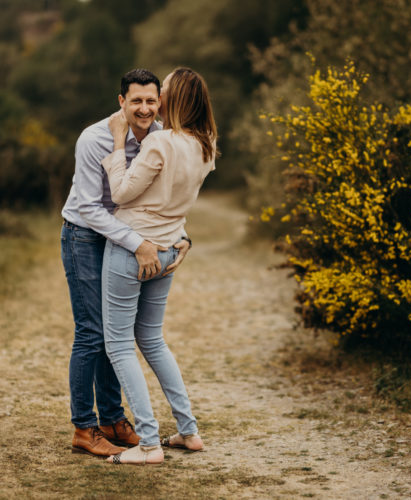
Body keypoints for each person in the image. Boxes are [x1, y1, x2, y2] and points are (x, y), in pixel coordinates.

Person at [61, 69, 191, 458]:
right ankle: (84, 428)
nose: (145, 108)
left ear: (160, 102)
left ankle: (113, 419)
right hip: (85, 235)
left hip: (126, 239)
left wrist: (182, 237)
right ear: (121, 101)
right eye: (136, 100)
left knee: (115, 331)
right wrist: (138, 244)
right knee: (92, 332)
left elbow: (169, 196)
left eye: (152, 100)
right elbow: (89, 207)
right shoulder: (94, 138)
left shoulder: (162, 136)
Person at [101, 67, 217, 465]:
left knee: (118, 343)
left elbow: (120, 192)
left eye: (162, 91)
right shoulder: (207, 143)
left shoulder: (160, 143)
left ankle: (149, 444)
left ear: (176, 99)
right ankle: (189, 431)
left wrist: (118, 145)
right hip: (168, 250)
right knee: (151, 339)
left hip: (133, 249)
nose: (157, 97)